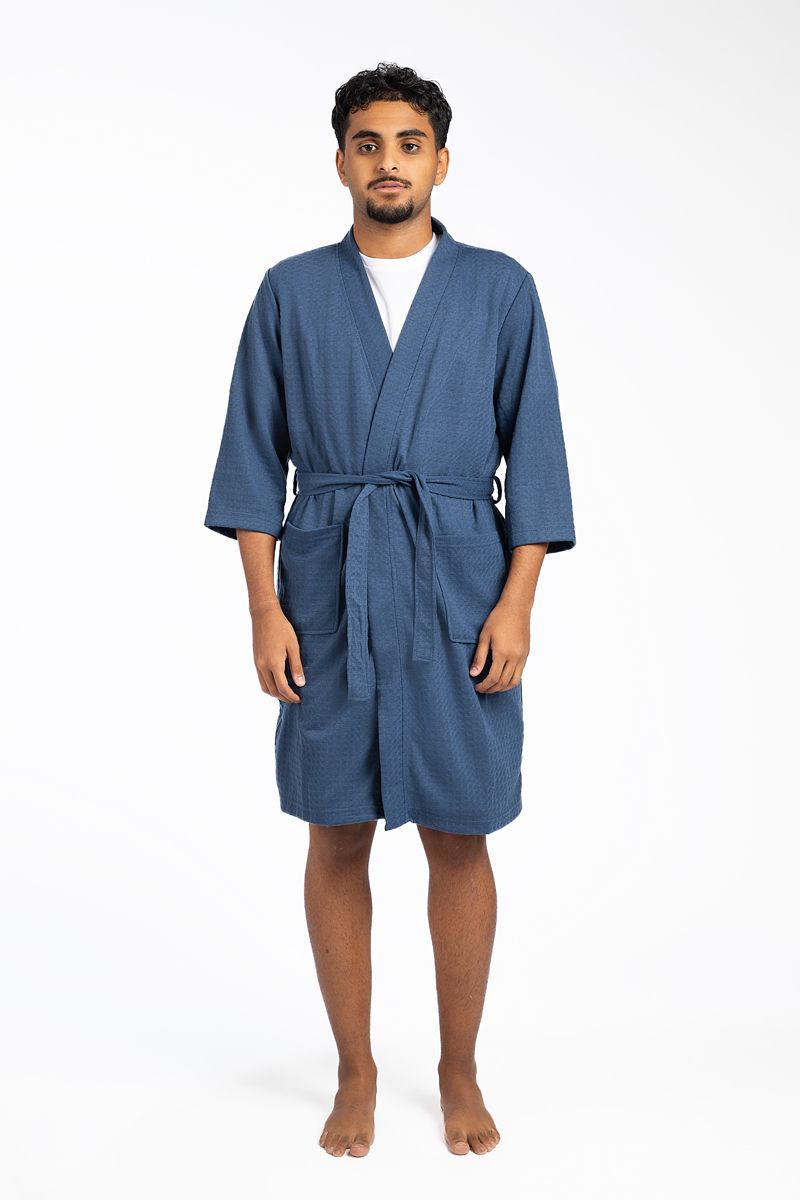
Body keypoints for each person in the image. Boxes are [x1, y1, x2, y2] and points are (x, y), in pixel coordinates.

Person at [204, 61, 576, 1158]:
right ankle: (354, 1072)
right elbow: (251, 463)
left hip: (460, 583)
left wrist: (517, 603)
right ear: (340, 162)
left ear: (441, 162)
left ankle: (459, 1068)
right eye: (367, 143)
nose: (388, 162)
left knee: (461, 828)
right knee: (335, 828)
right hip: (329, 584)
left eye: (409, 143)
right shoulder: (290, 292)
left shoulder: (499, 290)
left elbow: (537, 458)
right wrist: (264, 608)